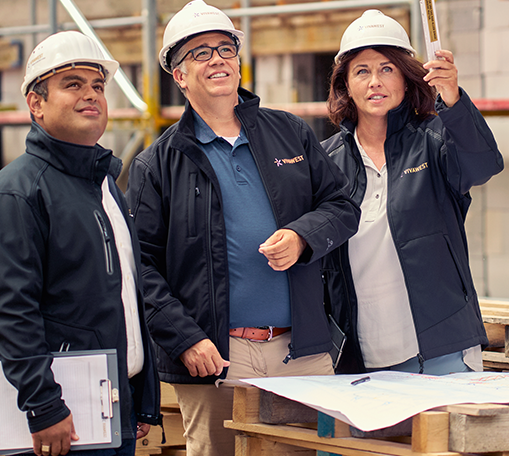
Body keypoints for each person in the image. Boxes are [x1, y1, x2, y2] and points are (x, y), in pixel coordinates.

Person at [124, 1, 359, 455]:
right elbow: (140, 269)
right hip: (215, 357)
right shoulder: (158, 164)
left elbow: (342, 205)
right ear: (178, 74)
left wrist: (303, 236)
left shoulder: (289, 133)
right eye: (199, 53)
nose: (216, 59)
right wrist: (186, 339)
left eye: (224, 48)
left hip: (302, 352)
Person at [0, 31, 161, 456]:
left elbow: (128, 295)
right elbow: (10, 311)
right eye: (72, 84)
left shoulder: (106, 184)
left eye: (97, 86)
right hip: (64, 418)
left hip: (112, 404)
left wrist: (142, 399)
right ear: (35, 104)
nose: (90, 95)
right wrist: (43, 407)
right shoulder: (15, 194)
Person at [321, 10, 504, 375]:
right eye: (362, 71)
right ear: (345, 86)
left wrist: (452, 99)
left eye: (387, 69)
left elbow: (483, 165)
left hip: (442, 348)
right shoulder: (327, 161)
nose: (375, 81)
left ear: (406, 78)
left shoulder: (435, 141)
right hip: (365, 354)